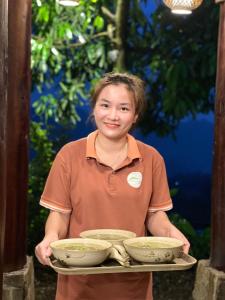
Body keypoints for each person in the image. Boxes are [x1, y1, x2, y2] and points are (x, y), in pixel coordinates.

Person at [35, 72, 190, 300]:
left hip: (132, 281)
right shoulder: (69, 155)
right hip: (78, 280)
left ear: (135, 115)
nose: (113, 116)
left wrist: (172, 235)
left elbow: (155, 215)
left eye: (124, 108)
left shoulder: (151, 159)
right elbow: (59, 214)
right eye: (105, 105)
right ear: (94, 109)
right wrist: (50, 237)